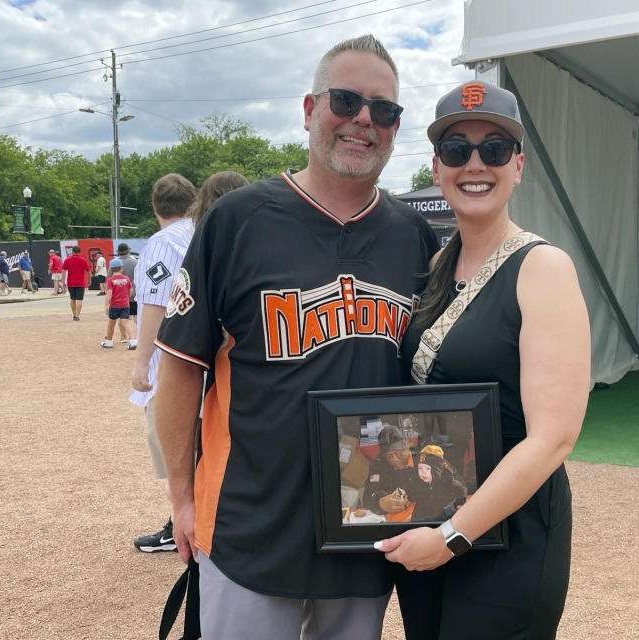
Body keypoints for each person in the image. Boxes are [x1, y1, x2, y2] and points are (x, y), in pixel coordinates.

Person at [152, 35, 437, 640]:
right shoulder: (237, 220)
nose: (363, 119)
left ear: (395, 126)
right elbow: (179, 367)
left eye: (382, 109)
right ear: (310, 109)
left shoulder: (415, 236)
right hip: (248, 524)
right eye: (346, 99)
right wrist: (182, 498)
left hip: (369, 527)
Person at [375, 80, 591, 640]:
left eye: (494, 149)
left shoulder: (543, 267)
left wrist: (451, 536)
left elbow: (554, 438)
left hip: (507, 539)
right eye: (457, 150)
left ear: (517, 166)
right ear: (438, 166)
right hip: (429, 517)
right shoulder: (434, 265)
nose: (476, 163)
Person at [129, 173, 197, 553]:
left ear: (155, 208)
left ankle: (181, 525)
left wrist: (141, 363)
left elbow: (155, 302)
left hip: (170, 366)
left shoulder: (161, 243)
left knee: (173, 450)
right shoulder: (202, 231)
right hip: (203, 361)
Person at [363, 425, 417, 521]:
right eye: (389, 456)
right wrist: (379, 503)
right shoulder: (378, 464)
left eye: (398, 453)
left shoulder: (422, 458)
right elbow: (368, 497)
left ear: (406, 445)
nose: (395, 459)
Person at [406, 449, 468, 522]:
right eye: (420, 468)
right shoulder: (418, 482)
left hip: (442, 515)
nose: (423, 473)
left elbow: (461, 489)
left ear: (436, 471)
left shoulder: (447, 481)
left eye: (427, 469)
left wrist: (459, 503)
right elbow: (411, 494)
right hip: (422, 515)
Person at [101, 258, 135, 349]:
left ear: (111, 269)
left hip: (114, 305)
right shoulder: (126, 279)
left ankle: (108, 341)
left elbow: (109, 294)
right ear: (121, 268)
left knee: (111, 323)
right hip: (125, 304)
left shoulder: (110, 280)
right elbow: (131, 291)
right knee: (126, 322)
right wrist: (127, 298)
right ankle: (133, 341)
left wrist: (106, 306)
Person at [115, 243, 138, 344]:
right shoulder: (136, 262)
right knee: (136, 316)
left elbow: (110, 279)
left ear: (117, 252)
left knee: (122, 317)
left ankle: (123, 336)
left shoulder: (115, 263)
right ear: (128, 251)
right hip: (134, 292)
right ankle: (137, 336)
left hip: (120, 295)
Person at [62, 245, 91, 320]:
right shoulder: (83, 260)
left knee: (72, 299)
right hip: (80, 283)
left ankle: (74, 314)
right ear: (79, 251)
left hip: (70, 283)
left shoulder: (67, 260)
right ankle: (77, 316)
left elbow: (63, 271)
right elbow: (89, 271)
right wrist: (89, 280)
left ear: (72, 251)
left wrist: (63, 282)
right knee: (79, 300)